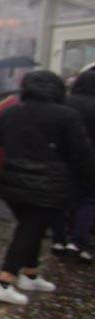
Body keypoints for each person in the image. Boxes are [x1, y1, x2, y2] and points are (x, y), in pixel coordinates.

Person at [0, 70, 95, 304]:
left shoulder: (11, 111)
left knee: (32, 228)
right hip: (48, 184)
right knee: (29, 229)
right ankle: (4, 282)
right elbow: (80, 152)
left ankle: (30, 273)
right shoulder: (66, 115)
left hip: (12, 179)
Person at [65, 68, 95, 261]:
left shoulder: (66, 102)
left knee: (65, 198)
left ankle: (61, 237)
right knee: (89, 200)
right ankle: (78, 241)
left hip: (65, 159)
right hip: (91, 161)